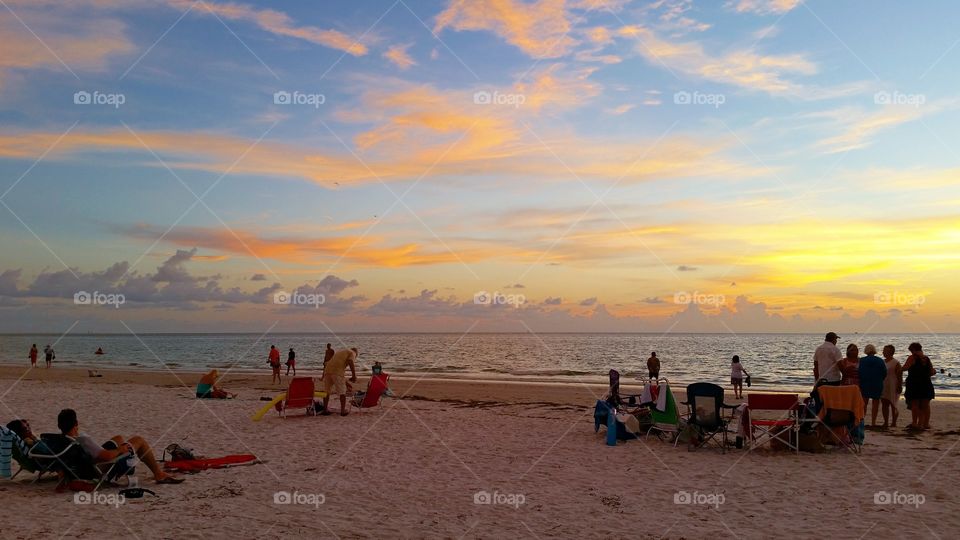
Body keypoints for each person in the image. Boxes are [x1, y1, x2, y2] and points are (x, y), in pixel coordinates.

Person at [56, 408, 183, 484]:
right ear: (76, 423)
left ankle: (134, 454)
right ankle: (158, 473)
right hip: (100, 467)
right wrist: (120, 450)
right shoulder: (82, 439)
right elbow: (107, 456)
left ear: (60, 426)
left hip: (85, 463)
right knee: (139, 440)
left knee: (118, 438)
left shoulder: (61, 440)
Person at [903, 342, 935, 431]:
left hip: (914, 383)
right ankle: (925, 423)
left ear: (912, 349)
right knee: (925, 405)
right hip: (926, 383)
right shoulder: (926, 358)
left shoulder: (912, 357)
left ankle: (915, 423)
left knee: (915, 404)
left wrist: (897, 369)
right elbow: (932, 372)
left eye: (911, 350)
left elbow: (905, 368)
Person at [321, 347, 358, 416]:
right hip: (337, 371)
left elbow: (339, 375)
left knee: (327, 391)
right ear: (356, 354)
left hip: (327, 370)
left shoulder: (342, 352)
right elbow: (350, 362)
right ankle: (342, 411)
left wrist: (346, 383)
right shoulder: (352, 353)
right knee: (342, 392)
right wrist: (354, 376)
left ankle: (325, 410)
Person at [858, 344, 887, 424]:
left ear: (866, 351)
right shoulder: (880, 360)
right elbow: (884, 372)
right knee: (875, 403)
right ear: (874, 351)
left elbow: (859, 372)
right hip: (877, 383)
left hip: (865, 383)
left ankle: (862, 420)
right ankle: (873, 421)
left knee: (864, 403)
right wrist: (880, 379)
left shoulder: (862, 360)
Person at [880, 345, 902, 428]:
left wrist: (899, 385)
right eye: (883, 350)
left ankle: (894, 422)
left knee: (893, 403)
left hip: (893, 384)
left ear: (891, 352)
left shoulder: (896, 362)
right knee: (884, 403)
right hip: (884, 384)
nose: (883, 352)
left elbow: (899, 375)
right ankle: (885, 422)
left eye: (885, 350)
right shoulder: (882, 362)